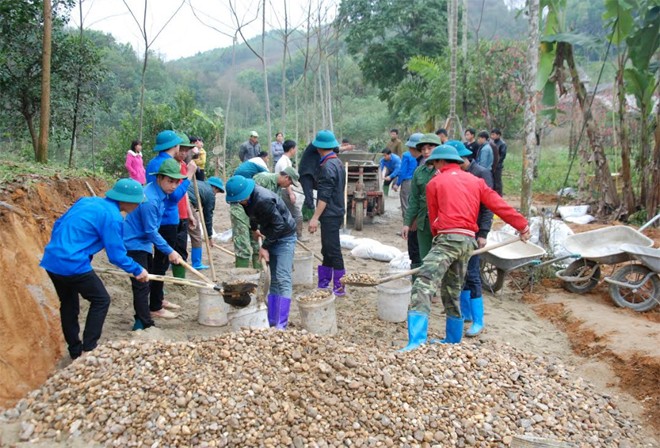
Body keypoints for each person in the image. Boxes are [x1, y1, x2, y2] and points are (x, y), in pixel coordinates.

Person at [401, 145, 530, 351]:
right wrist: (522, 225)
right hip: (468, 242)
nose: (433, 167)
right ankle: (452, 340)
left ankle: (416, 342)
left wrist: (440, 241)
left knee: (423, 284)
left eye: (434, 163)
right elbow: (497, 204)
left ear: (441, 162)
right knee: (452, 288)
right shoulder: (476, 181)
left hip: (447, 238)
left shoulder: (435, 183)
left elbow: (434, 218)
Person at [40, 179, 149, 360]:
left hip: (52, 259)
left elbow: (59, 225)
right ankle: (89, 348)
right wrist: (137, 270)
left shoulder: (86, 201)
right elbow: (116, 256)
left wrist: (68, 249)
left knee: (68, 304)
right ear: (127, 200)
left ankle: (75, 351)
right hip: (72, 263)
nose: (138, 205)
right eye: (137, 201)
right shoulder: (113, 217)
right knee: (101, 300)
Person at [226, 175, 297, 329]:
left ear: (247, 193)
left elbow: (279, 225)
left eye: (241, 199)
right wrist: (255, 229)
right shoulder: (246, 200)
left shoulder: (263, 199)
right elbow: (252, 215)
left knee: (283, 278)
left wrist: (264, 247)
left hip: (285, 237)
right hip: (271, 234)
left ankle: (281, 324)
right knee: (274, 280)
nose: (240, 203)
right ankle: (272, 319)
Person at [124, 159, 187, 328]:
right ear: (159, 178)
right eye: (170, 181)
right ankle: (143, 324)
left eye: (176, 182)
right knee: (141, 283)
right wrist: (170, 251)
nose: (173, 186)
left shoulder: (160, 194)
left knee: (148, 278)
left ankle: (149, 312)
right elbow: (150, 231)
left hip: (143, 242)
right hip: (134, 243)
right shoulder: (150, 199)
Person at [446, 140, 493, 337]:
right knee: (462, 273)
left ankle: (478, 321)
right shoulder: (460, 175)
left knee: (473, 275)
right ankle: (465, 313)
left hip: (474, 232)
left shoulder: (481, 173)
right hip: (460, 230)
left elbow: (488, 206)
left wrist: (483, 233)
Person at [145, 130, 196, 305]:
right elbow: (174, 197)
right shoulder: (166, 163)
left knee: (158, 261)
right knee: (161, 262)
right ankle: (156, 303)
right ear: (174, 146)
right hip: (166, 219)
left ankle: (158, 297)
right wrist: (188, 175)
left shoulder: (153, 162)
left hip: (161, 218)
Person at [308, 130, 347, 296]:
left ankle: (339, 286)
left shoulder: (327, 167)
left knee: (334, 250)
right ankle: (324, 283)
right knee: (328, 249)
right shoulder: (337, 163)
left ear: (318, 148)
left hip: (330, 213)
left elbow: (324, 196)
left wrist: (314, 218)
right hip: (336, 211)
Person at [402, 134, 441, 268]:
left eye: (429, 148)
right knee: (420, 257)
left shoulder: (445, 171)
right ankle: (419, 286)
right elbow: (414, 199)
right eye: (423, 149)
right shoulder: (419, 172)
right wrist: (408, 222)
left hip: (442, 223)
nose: (426, 152)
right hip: (423, 222)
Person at [253, 167, 306, 241]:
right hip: (252, 217)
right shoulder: (264, 178)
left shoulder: (278, 188)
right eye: (290, 183)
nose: (288, 186)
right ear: (286, 177)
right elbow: (253, 200)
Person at [172, 135, 198, 278]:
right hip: (171, 214)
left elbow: (184, 192)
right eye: (181, 150)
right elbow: (176, 191)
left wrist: (190, 214)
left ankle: (179, 278)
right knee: (169, 249)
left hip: (182, 213)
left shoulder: (183, 165)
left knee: (182, 247)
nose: (183, 153)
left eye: (186, 150)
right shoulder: (170, 166)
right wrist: (189, 173)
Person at [187, 176, 225, 270]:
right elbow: (207, 216)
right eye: (217, 191)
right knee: (196, 233)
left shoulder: (200, 185)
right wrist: (209, 236)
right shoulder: (210, 193)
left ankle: (175, 263)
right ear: (214, 187)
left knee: (180, 233)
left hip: (176, 201)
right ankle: (197, 263)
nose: (216, 194)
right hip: (187, 203)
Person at [396, 133, 423, 221]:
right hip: (417, 181)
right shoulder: (425, 158)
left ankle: (406, 224)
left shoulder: (407, 155)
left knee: (405, 204)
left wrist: (398, 183)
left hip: (407, 181)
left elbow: (402, 171)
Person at [298, 142, 322, 222]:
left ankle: (304, 215)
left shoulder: (319, 150)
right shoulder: (313, 145)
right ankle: (312, 218)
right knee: (309, 196)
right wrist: (344, 148)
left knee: (308, 195)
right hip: (305, 174)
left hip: (312, 174)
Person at [490, 129, 507, 196]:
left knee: (497, 181)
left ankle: (499, 195)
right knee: (492, 180)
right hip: (492, 165)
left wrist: (496, 163)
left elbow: (502, 156)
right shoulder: (491, 142)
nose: (492, 136)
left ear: (498, 135)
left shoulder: (502, 144)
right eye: (491, 134)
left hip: (498, 166)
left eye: (493, 134)